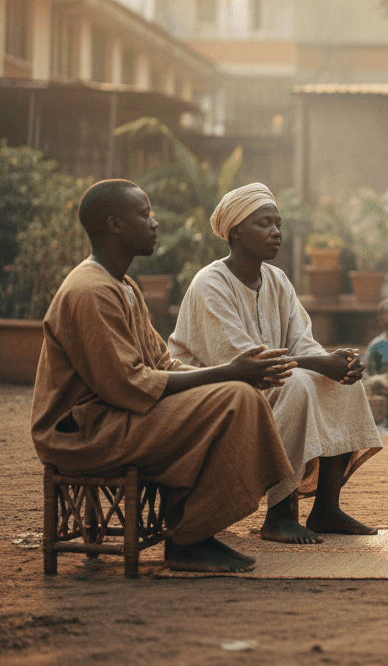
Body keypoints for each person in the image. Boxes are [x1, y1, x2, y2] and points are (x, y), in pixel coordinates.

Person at [31, 180, 296, 573]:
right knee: (237, 398)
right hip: (82, 432)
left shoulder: (124, 287)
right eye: (145, 214)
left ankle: (194, 532)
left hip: (115, 417)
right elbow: (128, 384)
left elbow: (162, 362)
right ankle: (189, 540)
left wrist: (230, 375)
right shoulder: (90, 291)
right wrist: (228, 372)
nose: (154, 224)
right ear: (115, 225)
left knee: (236, 393)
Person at [168, 184, 383, 545]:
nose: (276, 232)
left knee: (344, 380)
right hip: (212, 390)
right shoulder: (210, 283)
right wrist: (317, 362)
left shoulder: (278, 280)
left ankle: (326, 509)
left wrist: (334, 361)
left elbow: (301, 341)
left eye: (278, 224)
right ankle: (280, 514)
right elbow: (241, 361)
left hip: (267, 381)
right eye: (264, 223)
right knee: (296, 383)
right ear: (235, 230)